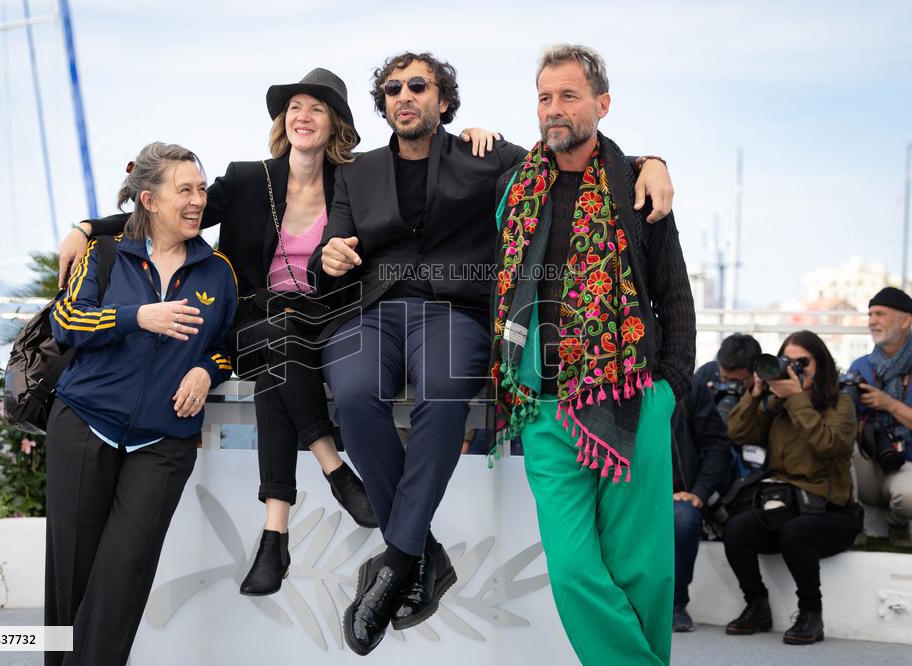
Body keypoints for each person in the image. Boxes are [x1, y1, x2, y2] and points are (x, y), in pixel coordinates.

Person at [56, 69, 504, 596]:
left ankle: (276, 535)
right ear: (282, 120)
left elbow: (411, 197)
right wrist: (89, 228)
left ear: (335, 123)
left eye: (316, 108)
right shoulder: (248, 179)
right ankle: (332, 469)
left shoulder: (354, 180)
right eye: (294, 107)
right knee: (276, 337)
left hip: (326, 319)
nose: (303, 116)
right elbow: (169, 213)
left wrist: (470, 140)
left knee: (284, 351)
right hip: (254, 318)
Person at [310, 50, 676, 656]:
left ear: (444, 101)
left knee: (445, 393)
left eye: (419, 85)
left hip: (457, 314)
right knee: (349, 394)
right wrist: (331, 255)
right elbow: (334, 245)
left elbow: (576, 155)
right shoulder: (356, 172)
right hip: (376, 312)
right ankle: (415, 553)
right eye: (394, 88)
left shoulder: (487, 158)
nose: (405, 95)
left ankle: (397, 557)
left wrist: (653, 162)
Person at [490, 44, 695, 665]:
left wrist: (670, 389)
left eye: (569, 96)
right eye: (545, 97)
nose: (554, 109)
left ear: (601, 104)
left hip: (630, 398)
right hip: (544, 405)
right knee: (575, 569)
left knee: (643, 572)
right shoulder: (512, 184)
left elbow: (673, 292)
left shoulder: (636, 184)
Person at [45, 142, 237, 665]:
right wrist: (137, 317)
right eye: (186, 191)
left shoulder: (218, 271)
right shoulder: (105, 255)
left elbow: (228, 347)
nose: (199, 200)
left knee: (125, 575)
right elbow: (68, 322)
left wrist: (206, 370)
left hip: (163, 443)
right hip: (84, 425)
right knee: (72, 578)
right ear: (149, 200)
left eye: (201, 189)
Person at [724, 330, 861, 645]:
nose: (797, 368)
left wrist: (798, 398)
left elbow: (829, 444)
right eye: (789, 361)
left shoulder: (841, 404)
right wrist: (757, 392)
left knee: (796, 532)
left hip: (832, 512)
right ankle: (756, 605)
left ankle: (811, 614)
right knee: (736, 529)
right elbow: (737, 431)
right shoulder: (776, 405)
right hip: (789, 505)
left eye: (804, 362)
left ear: (821, 364)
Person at [849, 287, 912, 546]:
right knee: (837, 445)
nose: (872, 321)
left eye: (880, 314)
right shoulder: (860, 366)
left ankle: (897, 522)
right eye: (870, 314)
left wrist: (888, 403)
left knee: (909, 496)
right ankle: (852, 523)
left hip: (907, 462)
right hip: (869, 460)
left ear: (906, 320)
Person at [671, 377, 732, 632]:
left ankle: (676, 605)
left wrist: (700, 492)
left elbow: (718, 446)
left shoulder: (689, 387)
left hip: (681, 495)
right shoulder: (613, 382)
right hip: (628, 492)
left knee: (682, 519)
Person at [696, 333, 762, 475]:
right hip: (708, 453)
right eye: (724, 379)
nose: (729, 385)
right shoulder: (707, 372)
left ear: (755, 373)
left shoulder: (763, 389)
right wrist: (704, 398)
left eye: (737, 382)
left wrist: (753, 397)